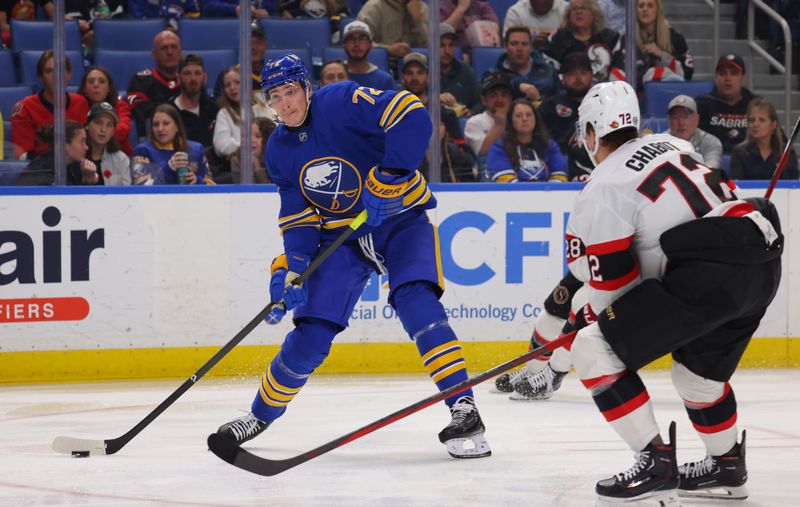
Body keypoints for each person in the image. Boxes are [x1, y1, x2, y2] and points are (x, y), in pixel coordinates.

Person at [211, 54, 491, 460]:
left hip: (399, 219)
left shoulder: (341, 100)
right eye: (276, 97)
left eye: (291, 92)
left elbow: (412, 115)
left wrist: (390, 177)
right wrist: (292, 268)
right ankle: (259, 415)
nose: (286, 104)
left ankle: (464, 408)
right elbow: (298, 217)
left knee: (417, 302)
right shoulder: (279, 150)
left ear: (306, 88)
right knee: (310, 335)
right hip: (343, 237)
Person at [564, 80, 782, 503]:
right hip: (760, 257)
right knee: (697, 375)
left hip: (709, 273)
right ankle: (726, 467)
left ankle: (654, 463)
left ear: (592, 132)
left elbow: (615, 292)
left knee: (592, 349)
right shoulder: (673, 145)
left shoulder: (601, 188)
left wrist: (586, 320)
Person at [11, 49, 90, 160]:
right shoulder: (25, 108)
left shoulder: (81, 103)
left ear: (69, 74)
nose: (56, 76)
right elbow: (23, 157)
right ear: (41, 77)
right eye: (49, 71)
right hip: (42, 172)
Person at [538, 52, 595, 181]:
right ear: (562, 78)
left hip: (597, 164)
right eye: (572, 73)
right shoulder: (550, 105)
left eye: (583, 72)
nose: (578, 77)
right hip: (559, 166)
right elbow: (541, 140)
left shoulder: (604, 103)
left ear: (592, 76)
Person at [213, 65, 271, 183]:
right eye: (227, 85)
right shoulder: (224, 113)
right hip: (237, 166)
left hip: (268, 165)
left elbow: (272, 135)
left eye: (237, 82)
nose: (232, 88)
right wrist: (249, 149)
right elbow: (221, 146)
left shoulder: (263, 107)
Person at [541, 0, 624, 83]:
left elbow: (620, 67)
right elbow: (549, 71)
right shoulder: (558, 39)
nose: (578, 12)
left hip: (606, 90)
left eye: (584, 8)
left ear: (594, 14)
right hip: (568, 90)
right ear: (568, 16)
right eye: (574, 9)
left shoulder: (611, 38)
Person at [486, 98, 567, 182]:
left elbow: (560, 175)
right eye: (518, 116)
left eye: (529, 115)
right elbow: (505, 181)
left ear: (535, 118)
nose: (524, 119)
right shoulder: (499, 147)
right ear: (510, 121)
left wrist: (547, 192)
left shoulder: (549, 145)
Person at [130, 103, 210, 185]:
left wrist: (197, 180)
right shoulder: (143, 151)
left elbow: (211, 186)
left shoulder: (196, 150)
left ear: (177, 126)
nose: (160, 129)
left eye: (166, 123)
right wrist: (168, 169)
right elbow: (142, 187)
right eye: (156, 125)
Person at [696, 53, 758, 154]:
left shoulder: (757, 105)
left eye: (734, 73)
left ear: (743, 78)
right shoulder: (702, 104)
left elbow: (777, 141)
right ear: (716, 78)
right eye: (722, 73)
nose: (728, 78)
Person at [126, 30, 182, 139]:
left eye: (174, 47)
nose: (170, 52)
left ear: (180, 52)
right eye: (164, 48)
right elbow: (140, 112)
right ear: (154, 54)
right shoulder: (140, 80)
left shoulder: (188, 80)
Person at [730, 97, 799, 180]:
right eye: (752, 120)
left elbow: (792, 187)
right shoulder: (739, 153)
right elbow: (736, 187)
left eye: (762, 120)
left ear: (773, 125)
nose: (755, 124)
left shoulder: (787, 153)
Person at [632, 0, 693, 89]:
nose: (645, 9)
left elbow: (687, 74)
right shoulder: (627, 39)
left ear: (658, 9)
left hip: (672, 91)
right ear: (635, 11)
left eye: (650, 5)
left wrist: (661, 55)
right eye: (641, 6)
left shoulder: (675, 37)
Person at [17, 120, 97, 185]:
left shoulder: (76, 166)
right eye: (82, 142)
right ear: (63, 144)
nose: (86, 147)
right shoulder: (40, 172)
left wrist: (88, 179)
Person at [495, 26, 558, 103]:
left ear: (531, 47)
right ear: (505, 47)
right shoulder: (495, 75)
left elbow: (562, 101)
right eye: (514, 44)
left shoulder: (548, 71)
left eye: (525, 44)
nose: (519, 49)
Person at [79, 65, 133, 155]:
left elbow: (123, 130)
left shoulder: (120, 105)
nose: (96, 85)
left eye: (102, 81)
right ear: (84, 89)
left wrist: (94, 134)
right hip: (85, 155)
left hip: (117, 155)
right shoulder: (78, 105)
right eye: (91, 81)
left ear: (109, 88)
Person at [169, 53, 219, 148]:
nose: (193, 79)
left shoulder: (214, 110)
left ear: (205, 78)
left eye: (197, 73)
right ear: (178, 78)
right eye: (187, 73)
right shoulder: (168, 112)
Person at [213, 22, 268, 102]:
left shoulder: (276, 76)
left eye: (258, 42)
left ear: (265, 44)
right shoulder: (226, 78)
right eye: (249, 42)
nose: (253, 47)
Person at [666, 94, 722, 170]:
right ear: (669, 121)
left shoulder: (711, 143)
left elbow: (711, 171)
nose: (681, 123)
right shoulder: (658, 143)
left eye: (686, 117)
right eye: (675, 117)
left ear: (697, 119)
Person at [465, 70, 513, 158]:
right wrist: (499, 124)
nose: (499, 100)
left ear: (510, 99)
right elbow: (483, 153)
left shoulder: (518, 119)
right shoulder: (475, 122)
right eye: (493, 95)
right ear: (484, 100)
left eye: (504, 95)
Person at [357, 0, 428, 59]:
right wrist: (387, 50)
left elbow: (433, 49)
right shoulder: (373, 8)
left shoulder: (422, 8)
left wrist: (417, 22)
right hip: (382, 65)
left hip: (417, 68)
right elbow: (358, 44)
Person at [83, 101, 131, 185]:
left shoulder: (121, 159)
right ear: (87, 125)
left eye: (109, 125)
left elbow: (125, 195)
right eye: (98, 123)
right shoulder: (75, 156)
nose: (103, 129)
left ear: (113, 131)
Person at [439, 22, 481, 116]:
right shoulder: (422, 71)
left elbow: (481, 101)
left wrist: (471, 112)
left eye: (451, 45)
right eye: (441, 45)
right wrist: (433, 100)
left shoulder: (466, 71)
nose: (447, 51)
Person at [340, 20, 394, 91]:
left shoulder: (384, 80)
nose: (357, 44)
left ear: (371, 45)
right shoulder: (335, 77)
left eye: (362, 39)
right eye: (351, 39)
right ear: (344, 46)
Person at [503, 0, 567, 47]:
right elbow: (509, 45)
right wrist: (530, 44)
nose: (541, 2)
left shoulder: (566, 10)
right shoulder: (516, 12)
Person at [231, 116, 275, 183]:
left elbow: (273, 191)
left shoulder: (277, 159)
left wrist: (258, 168)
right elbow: (245, 191)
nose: (251, 140)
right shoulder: (237, 160)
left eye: (258, 136)